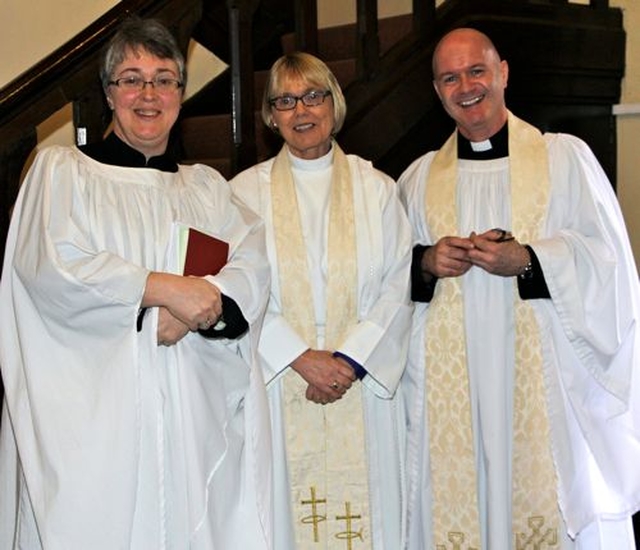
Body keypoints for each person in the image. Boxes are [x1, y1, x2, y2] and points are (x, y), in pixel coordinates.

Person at [0, 17, 273, 549]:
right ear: (108, 93)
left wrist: (205, 304)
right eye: (131, 78)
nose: (148, 94)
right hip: (98, 430)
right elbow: (50, 270)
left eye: (164, 78)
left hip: (192, 421)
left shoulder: (208, 190)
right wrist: (164, 290)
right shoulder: (62, 173)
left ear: (181, 92)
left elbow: (253, 262)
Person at [398, 27, 640, 549]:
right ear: (438, 91)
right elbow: (383, 278)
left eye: (477, 70)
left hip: (544, 384)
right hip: (453, 395)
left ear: (503, 73)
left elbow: (611, 266)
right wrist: (425, 262)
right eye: (450, 77)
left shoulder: (564, 159)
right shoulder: (417, 180)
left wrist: (529, 260)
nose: (466, 86)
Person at [230, 52, 413, 549]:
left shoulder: (377, 189)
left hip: (361, 386)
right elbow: (236, 292)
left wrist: (349, 361)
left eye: (314, 96)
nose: (301, 110)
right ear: (271, 116)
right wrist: (298, 357)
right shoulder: (242, 194)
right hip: (279, 387)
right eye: (285, 101)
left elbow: (399, 288)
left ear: (334, 103)